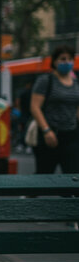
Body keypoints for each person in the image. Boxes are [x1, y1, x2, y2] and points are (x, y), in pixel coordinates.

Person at [30, 45, 79, 173]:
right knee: (44, 174)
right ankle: (30, 193)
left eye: (70, 59)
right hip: (50, 134)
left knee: (72, 176)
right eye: (63, 59)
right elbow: (35, 107)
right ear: (55, 61)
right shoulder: (46, 80)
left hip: (71, 134)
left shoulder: (76, 83)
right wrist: (46, 131)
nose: (67, 62)